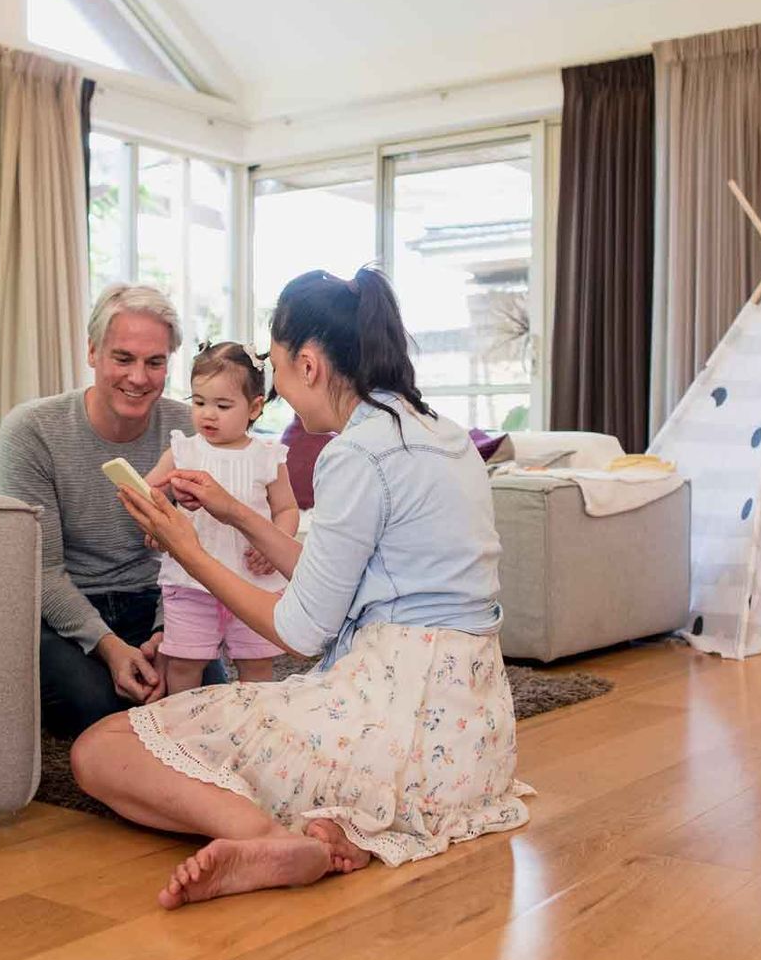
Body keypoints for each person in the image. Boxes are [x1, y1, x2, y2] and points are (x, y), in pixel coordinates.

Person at [71, 266, 531, 909]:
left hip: (391, 714)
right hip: (470, 745)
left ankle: (260, 836)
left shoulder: (357, 453)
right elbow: (336, 579)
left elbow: (300, 628)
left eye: (277, 367)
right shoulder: (442, 434)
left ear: (309, 364)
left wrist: (188, 549)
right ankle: (328, 830)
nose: (279, 388)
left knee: (103, 748)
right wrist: (238, 515)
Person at [0, 284, 194, 736]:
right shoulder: (31, 431)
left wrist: (169, 632)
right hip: (64, 608)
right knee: (99, 708)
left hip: (158, 599)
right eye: (123, 358)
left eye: (155, 362)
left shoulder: (190, 428)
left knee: (196, 698)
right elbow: (41, 571)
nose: (139, 377)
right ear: (92, 352)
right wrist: (109, 647)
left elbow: (191, 556)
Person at [146, 341, 299, 696]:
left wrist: (274, 541)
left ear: (254, 407)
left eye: (222, 405)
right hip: (190, 581)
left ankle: (255, 726)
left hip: (254, 583)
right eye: (198, 402)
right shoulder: (184, 450)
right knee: (183, 662)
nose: (208, 414)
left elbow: (287, 509)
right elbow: (147, 490)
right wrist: (161, 508)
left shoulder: (267, 456)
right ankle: (180, 729)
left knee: (257, 663)